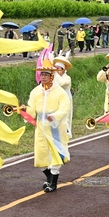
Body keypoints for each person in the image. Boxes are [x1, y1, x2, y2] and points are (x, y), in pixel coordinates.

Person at [19, 58, 71, 193]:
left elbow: (65, 108)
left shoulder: (60, 92)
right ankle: (49, 177)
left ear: (52, 76)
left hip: (55, 127)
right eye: (42, 75)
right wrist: (25, 110)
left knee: (55, 153)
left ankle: (53, 183)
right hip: (41, 127)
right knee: (41, 155)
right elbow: (32, 110)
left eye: (46, 75)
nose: (43, 77)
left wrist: (54, 117)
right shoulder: (35, 92)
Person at [53, 52, 73, 138]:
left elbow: (61, 83)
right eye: (55, 68)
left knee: (65, 120)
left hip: (66, 102)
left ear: (64, 70)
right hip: (56, 102)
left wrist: (54, 73)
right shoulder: (54, 78)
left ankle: (65, 137)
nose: (57, 71)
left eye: (59, 69)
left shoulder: (67, 78)